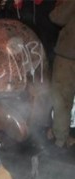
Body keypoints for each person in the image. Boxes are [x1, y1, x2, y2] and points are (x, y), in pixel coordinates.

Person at [48, 0, 75, 150]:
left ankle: (61, 138)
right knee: (61, 100)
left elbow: (56, 17)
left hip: (68, 55)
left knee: (62, 99)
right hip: (68, 55)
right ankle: (61, 138)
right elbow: (56, 17)